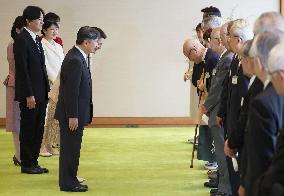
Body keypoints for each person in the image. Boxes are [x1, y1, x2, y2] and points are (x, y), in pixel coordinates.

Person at [55, 26, 102, 192]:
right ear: (86, 41)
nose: (99, 45)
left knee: (72, 149)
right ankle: (68, 183)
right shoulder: (75, 59)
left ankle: (71, 179)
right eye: (97, 42)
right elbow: (71, 91)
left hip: (73, 113)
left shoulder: (79, 56)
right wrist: (73, 115)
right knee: (70, 149)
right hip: (71, 115)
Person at [14, 5, 49, 174]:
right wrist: (29, 93)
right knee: (29, 128)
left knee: (38, 128)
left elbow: (40, 68)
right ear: (28, 21)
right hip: (30, 94)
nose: (42, 22)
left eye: (42, 20)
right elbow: (22, 70)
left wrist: (45, 90)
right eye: (39, 20)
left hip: (41, 93)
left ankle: (34, 161)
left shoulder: (36, 39)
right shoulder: (22, 40)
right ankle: (26, 164)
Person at [201, 27, 234, 196]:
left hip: (219, 110)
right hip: (218, 109)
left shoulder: (228, 58)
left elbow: (218, 88)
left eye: (218, 38)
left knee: (222, 152)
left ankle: (225, 189)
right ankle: (223, 186)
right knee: (221, 152)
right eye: (218, 38)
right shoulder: (225, 57)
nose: (219, 41)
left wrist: (207, 104)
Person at [39, 15, 64, 157]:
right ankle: (43, 146)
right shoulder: (42, 44)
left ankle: (50, 144)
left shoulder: (58, 45)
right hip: (50, 83)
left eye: (56, 29)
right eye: (51, 29)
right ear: (44, 30)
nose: (55, 32)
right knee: (46, 117)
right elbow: (45, 66)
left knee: (55, 117)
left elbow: (63, 64)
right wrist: (55, 81)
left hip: (60, 83)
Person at [3, 16, 25, 166]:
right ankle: (18, 156)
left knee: (23, 123)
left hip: (22, 85)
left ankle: (21, 155)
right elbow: (18, 68)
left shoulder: (21, 43)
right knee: (16, 122)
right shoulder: (14, 44)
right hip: (15, 86)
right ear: (17, 29)